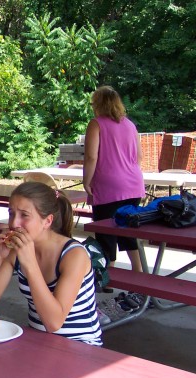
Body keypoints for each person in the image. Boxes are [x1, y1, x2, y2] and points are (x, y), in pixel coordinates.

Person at [0, 182, 103, 347]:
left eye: (24, 215)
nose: (14, 223)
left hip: (82, 346)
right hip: (40, 342)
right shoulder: (16, 252)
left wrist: (30, 264)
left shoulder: (74, 255)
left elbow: (53, 322)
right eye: (11, 213)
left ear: (47, 221)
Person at [83, 86, 146, 322]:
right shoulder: (130, 125)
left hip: (109, 185)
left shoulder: (96, 124)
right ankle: (138, 273)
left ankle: (106, 277)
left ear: (97, 102)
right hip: (133, 183)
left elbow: (91, 157)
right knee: (128, 229)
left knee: (105, 231)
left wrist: (86, 182)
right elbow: (139, 158)